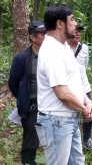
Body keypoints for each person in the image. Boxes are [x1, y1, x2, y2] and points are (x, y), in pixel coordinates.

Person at [35, 4, 92, 164]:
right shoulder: (51, 51)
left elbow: (73, 82)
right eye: (72, 19)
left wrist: (87, 101)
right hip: (56, 121)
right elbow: (62, 93)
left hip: (68, 118)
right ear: (60, 24)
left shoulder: (64, 47)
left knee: (77, 162)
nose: (75, 24)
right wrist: (84, 109)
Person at [8, 20, 46, 165]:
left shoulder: (52, 56)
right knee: (31, 141)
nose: (46, 36)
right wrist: (24, 98)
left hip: (50, 105)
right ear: (33, 37)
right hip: (32, 107)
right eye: (43, 34)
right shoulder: (22, 58)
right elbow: (13, 83)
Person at [67, 24, 92, 152]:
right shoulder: (63, 49)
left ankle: (87, 139)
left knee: (89, 113)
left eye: (79, 31)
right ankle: (71, 140)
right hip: (68, 88)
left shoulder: (84, 48)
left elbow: (84, 67)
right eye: (75, 31)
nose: (78, 33)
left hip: (84, 87)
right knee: (71, 113)